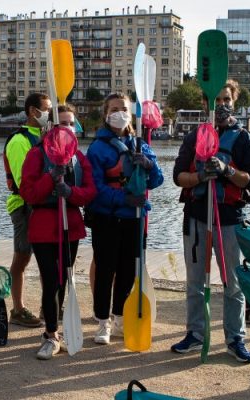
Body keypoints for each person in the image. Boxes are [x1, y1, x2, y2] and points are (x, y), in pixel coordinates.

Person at [169, 80, 250, 363]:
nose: (220, 105)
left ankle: (236, 338)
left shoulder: (244, 139)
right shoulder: (193, 136)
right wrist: (200, 177)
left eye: (225, 100)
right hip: (197, 216)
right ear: (205, 104)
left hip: (229, 219)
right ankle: (195, 334)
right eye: (214, 101)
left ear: (234, 101)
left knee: (233, 283)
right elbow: (178, 177)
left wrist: (226, 169)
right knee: (195, 282)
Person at [18, 104, 97, 360]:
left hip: (70, 224)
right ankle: (51, 334)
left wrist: (71, 192)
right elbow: (28, 193)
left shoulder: (78, 157)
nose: (67, 128)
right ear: (50, 126)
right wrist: (50, 178)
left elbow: (90, 191)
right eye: (62, 123)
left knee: (64, 278)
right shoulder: (36, 154)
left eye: (71, 123)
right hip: (43, 225)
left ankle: (58, 327)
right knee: (50, 279)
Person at [84, 93, 164, 345]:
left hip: (133, 219)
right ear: (106, 114)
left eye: (124, 109)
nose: (120, 113)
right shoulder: (98, 148)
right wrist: (124, 199)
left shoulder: (140, 144)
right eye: (115, 109)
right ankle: (102, 323)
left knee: (128, 271)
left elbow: (157, 180)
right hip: (107, 218)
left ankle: (119, 316)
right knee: (106, 270)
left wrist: (149, 165)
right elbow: (94, 187)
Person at [1, 92, 51, 328]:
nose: (49, 114)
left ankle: (48, 304)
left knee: (45, 259)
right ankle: (18, 308)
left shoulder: (46, 136)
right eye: (46, 109)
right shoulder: (20, 140)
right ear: (33, 111)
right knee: (22, 256)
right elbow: (24, 182)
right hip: (24, 206)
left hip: (43, 206)